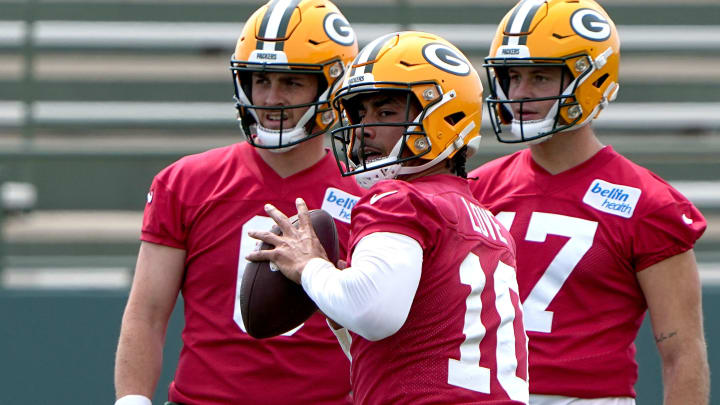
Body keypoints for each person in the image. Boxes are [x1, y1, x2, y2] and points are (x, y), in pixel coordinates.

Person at [247, 31, 530, 405]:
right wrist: (338, 310)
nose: (365, 128)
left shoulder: (399, 198)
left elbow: (374, 313)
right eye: (360, 113)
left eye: (385, 111)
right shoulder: (485, 220)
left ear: (442, 115)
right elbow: (400, 356)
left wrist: (310, 267)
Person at [113, 1, 362, 404]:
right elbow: (147, 311)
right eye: (260, 80)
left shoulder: (369, 195)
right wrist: (132, 399)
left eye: (291, 83)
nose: (271, 97)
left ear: (330, 87)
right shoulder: (186, 182)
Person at [468, 0, 710, 404]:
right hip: (484, 392)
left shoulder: (648, 203)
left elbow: (682, 354)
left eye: (541, 78)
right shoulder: (476, 187)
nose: (520, 94)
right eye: (513, 77)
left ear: (591, 80)